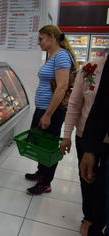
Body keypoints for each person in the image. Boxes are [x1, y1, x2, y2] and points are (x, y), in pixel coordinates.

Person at [24, 25, 77, 195]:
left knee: (49, 146)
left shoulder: (61, 56)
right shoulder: (52, 55)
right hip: (43, 108)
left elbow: (61, 88)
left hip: (52, 111)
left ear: (51, 37)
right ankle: (41, 172)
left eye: (41, 38)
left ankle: (46, 182)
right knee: (40, 142)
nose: (38, 42)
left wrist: (47, 114)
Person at [60, 56, 108, 236]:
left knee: (104, 183)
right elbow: (74, 105)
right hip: (86, 137)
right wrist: (66, 136)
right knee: (88, 178)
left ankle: (101, 219)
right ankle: (89, 216)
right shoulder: (90, 68)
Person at [80, 56, 109, 236]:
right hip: (90, 136)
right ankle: (92, 220)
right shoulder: (91, 67)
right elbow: (101, 107)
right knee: (96, 187)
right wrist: (88, 149)